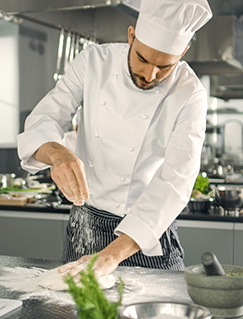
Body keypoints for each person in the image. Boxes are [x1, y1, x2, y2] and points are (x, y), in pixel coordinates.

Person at [17, 0, 212, 278]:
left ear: (183, 52)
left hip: (146, 233)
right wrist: (57, 154)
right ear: (131, 35)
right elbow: (44, 119)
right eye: (142, 59)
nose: (149, 75)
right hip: (86, 224)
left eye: (165, 67)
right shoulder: (93, 62)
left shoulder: (190, 92)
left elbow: (176, 180)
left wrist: (112, 254)